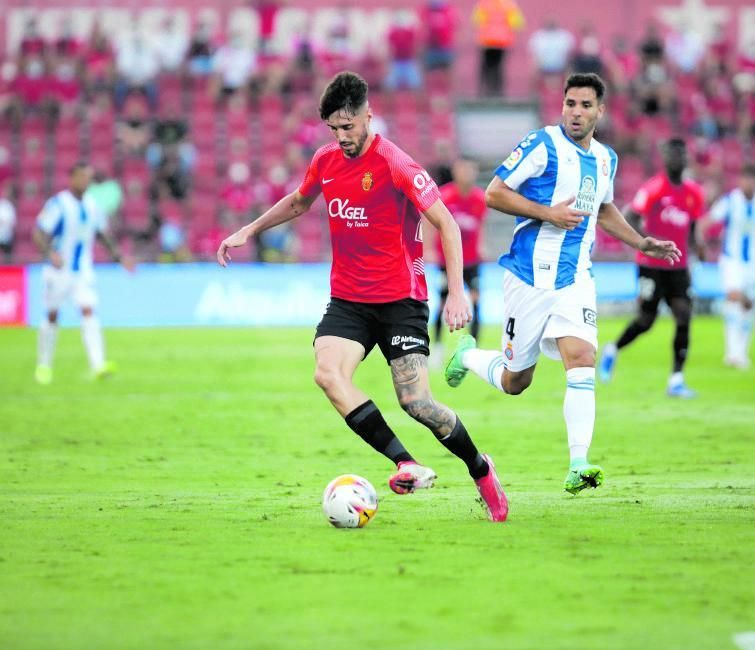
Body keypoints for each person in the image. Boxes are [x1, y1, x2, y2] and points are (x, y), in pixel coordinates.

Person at [217, 71, 508, 521]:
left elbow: (446, 224)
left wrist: (455, 295)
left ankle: (480, 468)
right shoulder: (326, 160)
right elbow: (299, 201)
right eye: (333, 129)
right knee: (328, 375)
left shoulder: (397, 164)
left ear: (368, 116)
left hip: (400, 300)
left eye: (348, 127)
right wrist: (249, 230)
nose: (341, 137)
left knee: (417, 404)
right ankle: (405, 463)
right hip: (349, 300)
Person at [444, 73, 681, 495]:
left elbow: (603, 210)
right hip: (528, 278)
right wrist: (546, 212)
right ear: (563, 106)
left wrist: (642, 242)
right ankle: (469, 356)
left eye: (585, 105)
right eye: (570, 103)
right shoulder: (542, 145)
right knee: (516, 381)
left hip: (576, 278)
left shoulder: (606, 159)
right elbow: (494, 194)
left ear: (599, 111)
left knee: (582, 357)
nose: (576, 112)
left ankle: (578, 462)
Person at [599, 138, 705, 398]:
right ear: (665, 158)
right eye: (673, 155)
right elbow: (630, 215)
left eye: (681, 155)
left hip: (678, 265)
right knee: (646, 320)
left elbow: (691, 227)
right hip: (651, 266)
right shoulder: (654, 188)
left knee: (683, 314)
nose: (678, 159)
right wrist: (646, 242)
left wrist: (696, 246)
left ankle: (676, 379)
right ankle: (613, 348)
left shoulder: (693, 193)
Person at [33, 162, 134, 385]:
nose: (84, 181)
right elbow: (39, 233)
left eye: (88, 177)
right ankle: (44, 365)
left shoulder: (92, 205)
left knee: (88, 311)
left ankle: (98, 365)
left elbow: (102, 235)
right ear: (71, 178)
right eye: (81, 177)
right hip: (58, 271)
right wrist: (50, 253)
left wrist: (120, 258)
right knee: (52, 315)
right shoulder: (58, 204)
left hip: (82, 272)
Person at [430, 157, 486, 366]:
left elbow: (480, 225)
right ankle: (437, 348)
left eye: (470, 170)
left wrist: (481, 245)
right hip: (447, 260)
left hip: (471, 260)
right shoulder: (444, 196)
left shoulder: (480, 199)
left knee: (476, 301)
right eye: (463, 170)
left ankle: (474, 351)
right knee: (442, 303)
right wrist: (428, 248)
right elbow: (430, 223)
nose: (466, 174)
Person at [702, 163, 755, 369]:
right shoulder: (730, 201)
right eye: (745, 178)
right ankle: (732, 353)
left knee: (747, 309)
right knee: (734, 299)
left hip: (752, 264)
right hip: (731, 261)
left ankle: (740, 353)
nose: (748, 183)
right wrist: (700, 243)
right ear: (740, 180)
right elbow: (707, 222)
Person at [471, 0, 524, 97]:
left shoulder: (484, 3)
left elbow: (476, 21)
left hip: (487, 40)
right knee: (499, 67)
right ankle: (498, 92)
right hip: (502, 41)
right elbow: (517, 23)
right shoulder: (509, 4)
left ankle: (484, 91)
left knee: (486, 66)